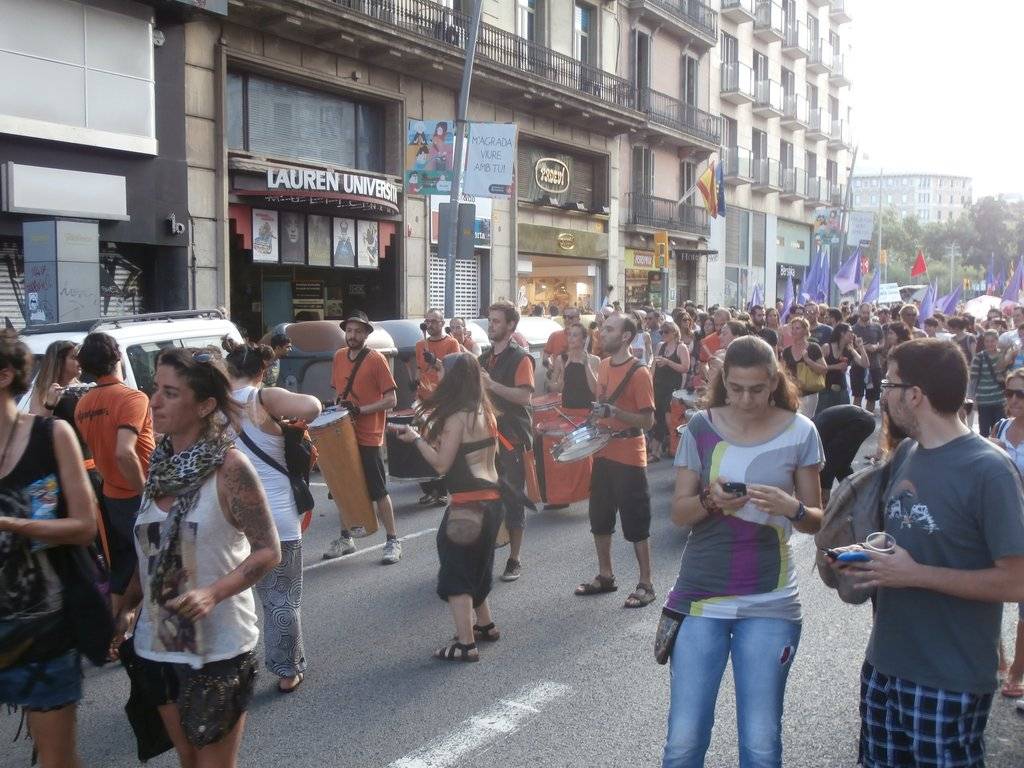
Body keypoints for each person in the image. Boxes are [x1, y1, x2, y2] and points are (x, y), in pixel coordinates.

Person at [833, 339, 1024, 767]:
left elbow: (1017, 580)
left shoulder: (989, 469)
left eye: (889, 383)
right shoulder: (906, 453)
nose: (882, 394)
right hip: (885, 665)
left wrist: (914, 574)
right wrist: (866, 553)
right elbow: (913, 539)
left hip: (949, 678)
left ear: (915, 395)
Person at [662, 335, 824, 768]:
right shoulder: (701, 427)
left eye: (756, 388)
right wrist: (712, 502)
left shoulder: (800, 431)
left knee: (760, 742)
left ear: (774, 381)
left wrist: (791, 508)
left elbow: (818, 518)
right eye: (736, 388)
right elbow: (679, 513)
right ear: (723, 382)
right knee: (684, 739)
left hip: (770, 598)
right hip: (701, 594)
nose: (746, 398)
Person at [116, 347, 281, 768]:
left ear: (205, 404)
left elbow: (268, 550)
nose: (154, 401)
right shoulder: (158, 467)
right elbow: (148, 549)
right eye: (156, 389)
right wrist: (126, 606)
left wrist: (213, 592)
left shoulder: (230, 469)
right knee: (188, 760)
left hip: (219, 647)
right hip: (159, 644)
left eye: (170, 393)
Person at [0, 333, 98, 768]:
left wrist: (10, 523)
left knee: (58, 760)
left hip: (44, 628)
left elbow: (84, 527)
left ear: (5, 376)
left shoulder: (51, 434)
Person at [392, 353, 505, 662]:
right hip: (491, 502)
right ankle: (485, 624)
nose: (437, 374)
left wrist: (416, 439)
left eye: (441, 369)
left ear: (454, 376)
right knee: (478, 565)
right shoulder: (484, 410)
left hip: (468, 506)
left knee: (456, 572)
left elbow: (441, 465)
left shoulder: (457, 418)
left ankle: (466, 644)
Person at [223, 338, 321, 693]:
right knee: (281, 597)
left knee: (234, 595)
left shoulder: (215, 405)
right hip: (277, 516)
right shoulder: (261, 399)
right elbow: (312, 406)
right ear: (262, 371)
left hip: (233, 517)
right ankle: (286, 670)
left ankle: (232, 663)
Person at [574, 313, 657, 609]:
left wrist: (615, 414)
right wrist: (592, 421)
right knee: (600, 518)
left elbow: (648, 421)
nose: (601, 333)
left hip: (630, 456)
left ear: (625, 337)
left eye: (608, 329)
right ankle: (606, 576)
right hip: (603, 453)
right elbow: (602, 405)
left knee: (637, 521)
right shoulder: (605, 366)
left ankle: (646, 583)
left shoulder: (639, 373)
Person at [75, 332, 155, 613]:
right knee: (152, 568)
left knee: (125, 569)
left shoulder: (83, 404)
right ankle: (130, 630)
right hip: (137, 494)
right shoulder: (133, 398)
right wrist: (147, 493)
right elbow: (124, 451)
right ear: (118, 356)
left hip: (109, 495)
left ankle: (118, 628)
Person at [327, 311, 402, 563]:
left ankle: (393, 540)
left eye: (358, 331)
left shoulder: (376, 359)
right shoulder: (338, 357)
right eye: (349, 330)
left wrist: (361, 410)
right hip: (343, 434)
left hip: (369, 435)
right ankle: (346, 537)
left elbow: (392, 400)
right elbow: (339, 395)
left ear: (367, 334)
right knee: (342, 488)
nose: (353, 335)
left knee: (378, 489)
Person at [479, 301, 535, 582]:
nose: (491, 325)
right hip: (487, 440)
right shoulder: (485, 357)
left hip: (511, 438)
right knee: (485, 498)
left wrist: (491, 385)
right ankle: (486, 552)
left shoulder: (521, 358)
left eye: (497, 321)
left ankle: (515, 559)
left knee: (513, 500)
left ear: (511, 325)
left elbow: (525, 397)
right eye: (490, 320)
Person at [988, 369, 1024, 701]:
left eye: (1021, 395)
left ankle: (1017, 673)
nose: (1013, 399)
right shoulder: (1000, 427)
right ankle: (999, 659)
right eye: (1009, 392)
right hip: (997, 523)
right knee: (990, 592)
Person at [413, 309, 461, 507]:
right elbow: (419, 369)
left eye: (434, 321)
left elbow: (455, 370)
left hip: (443, 401)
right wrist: (415, 386)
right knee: (421, 443)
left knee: (439, 445)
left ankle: (442, 490)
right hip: (424, 400)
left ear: (442, 323)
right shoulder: (420, 344)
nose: (430, 324)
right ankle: (429, 488)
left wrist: (436, 361)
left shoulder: (451, 343)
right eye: (428, 321)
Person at [812, 404, 876, 503]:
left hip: (859, 421)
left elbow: (829, 460)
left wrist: (825, 488)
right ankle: (858, 496)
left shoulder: (809, 436)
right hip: (862, 420)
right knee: (842, 466)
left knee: (833, 460)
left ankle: (827, 500)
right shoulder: (810, 431)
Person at [650, 321, 689, 462]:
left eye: (666, 332)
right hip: (658, 386)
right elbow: (653, 366)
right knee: (657, 418)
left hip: (672, 388)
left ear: (674, 333)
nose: (663, 335)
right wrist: (649, 381)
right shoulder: (661, 346)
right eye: (661, 332)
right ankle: (656, 451)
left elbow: (685, 368)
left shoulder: (681, 347)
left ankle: (677, 447)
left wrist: (668, 362)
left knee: (668, 419)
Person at [816, 323, 867, 414]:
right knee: (823, 417)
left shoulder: (849, 349)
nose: (853, 335)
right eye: (850, 332)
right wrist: (835, 367)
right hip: (825, 389)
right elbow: (817, 367)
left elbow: (865, 364)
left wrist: (861, 347)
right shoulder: (827, 347)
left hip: (842, 389)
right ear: (842, 333)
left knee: (843, 418)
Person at [781, 317, 827, 418]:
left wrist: (808, 360)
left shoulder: (813, 348)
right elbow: (782, 372)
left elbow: (824, 369)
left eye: (797, 328)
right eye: (792, 328)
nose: (794, 331)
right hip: (792, 393)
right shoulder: (787, 351)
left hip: (809, 394)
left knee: (807, 421)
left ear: (806, 330)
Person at [969, 329, 1007, 437]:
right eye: (987, 341)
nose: (990, 344)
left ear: (997, 341)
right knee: (984, 433)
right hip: (984, 401)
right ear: (984, 342)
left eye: (992, 341)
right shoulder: (979, 357)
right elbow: (973, 379)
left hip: (1000, 400)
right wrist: (973, 398)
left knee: (1000, 432)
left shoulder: (1004, 356)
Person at [28, 340, 81, 417]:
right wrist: (50, 405)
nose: (80, 361)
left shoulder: (81, 388)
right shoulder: (42, 390)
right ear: (59, 362)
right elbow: (37, 424)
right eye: (74, 357)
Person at [851, 303, 884, 414]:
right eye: (863, 312)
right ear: (859, 313)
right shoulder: (853, 329)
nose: (865, 315)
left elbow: (883, 342)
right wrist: (864, 347)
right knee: (857, 396)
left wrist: (877, 347)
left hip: (874, 366)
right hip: (858, 366)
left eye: (868, 312)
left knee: (872, 397)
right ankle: (857, 419)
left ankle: (869, 420)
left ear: (871, 312)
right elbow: (850, 347)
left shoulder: (877, 327)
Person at [543, 306, 581, 374]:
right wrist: (551, 368)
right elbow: (545, 357)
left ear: (578, 319)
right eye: (564, 317)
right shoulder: (555, 335)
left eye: (570, 317)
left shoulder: (586, 337)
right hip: (559, 378)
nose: (567, 319)